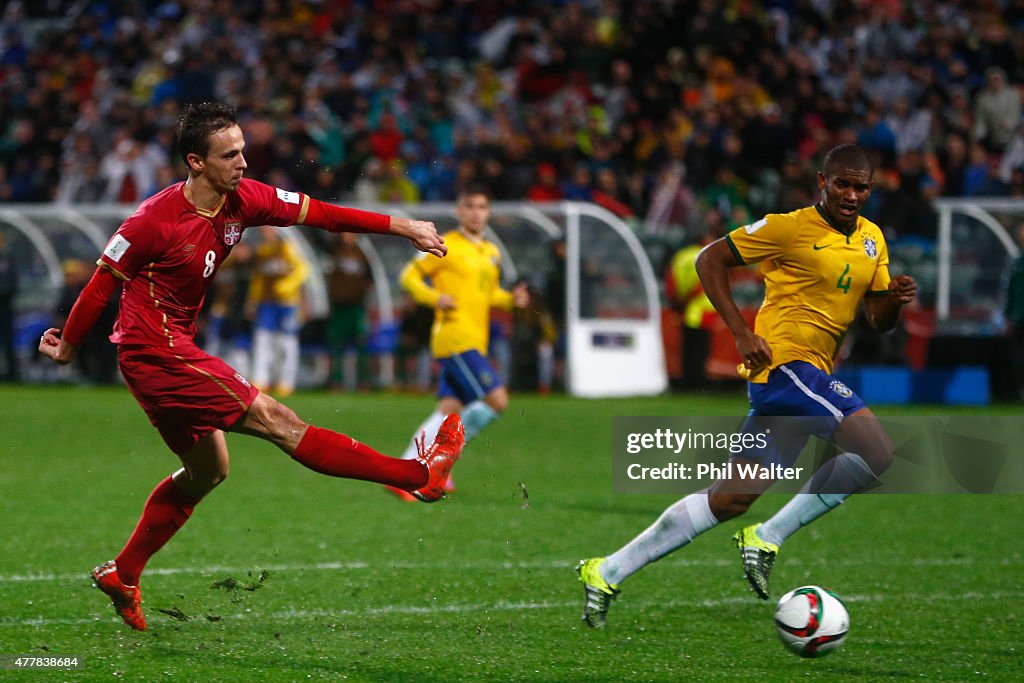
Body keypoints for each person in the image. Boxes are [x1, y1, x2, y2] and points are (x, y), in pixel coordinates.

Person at [37, 102, 465, 632]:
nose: (243, 162)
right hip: (158, 353)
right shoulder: (153, 220)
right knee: (279, 421)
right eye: (230, 154)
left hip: (163, 354)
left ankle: (123, 574)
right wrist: (70, 345)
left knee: (209, 471)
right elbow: (102, 282)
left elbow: (322, 214)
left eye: (244, 150)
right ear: (196, 162)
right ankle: (419, 475)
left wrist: (405, 227)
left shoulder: (246, 198)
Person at [577, 144, 918, 627]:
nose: (851, 194)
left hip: (810, 376)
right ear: (822, 182)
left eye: (861, 186)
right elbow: (709, 260)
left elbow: (878, 320)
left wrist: (897, 300)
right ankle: (769, 536)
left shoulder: (872, 240)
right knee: (878, 452)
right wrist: (741, 332)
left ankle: (607, 570)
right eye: (842, 183)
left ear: (871, 189)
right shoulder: (788, 227)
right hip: (786, 368)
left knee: (731, 497)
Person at [388, 184, 529, 500]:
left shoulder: (490, 252)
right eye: (470, 206)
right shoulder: (446, 245)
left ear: (488, 211)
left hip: (474, 340)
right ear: (459, 211)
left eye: (482, 207)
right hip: (454, 338)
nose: (476, 213)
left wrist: (510, 300)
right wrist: (435, 298)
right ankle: (439, 465)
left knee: (448, 410)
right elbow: (409, 276)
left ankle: (403, 474)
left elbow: (488, 293)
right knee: (497, 401)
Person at [246, 226, 309, 396]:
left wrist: (286, 287)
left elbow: (302, 271)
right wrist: (253, 299)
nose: (265, 232)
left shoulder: (287, 247)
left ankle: (286, 382)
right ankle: (261, 380)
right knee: (262, 341)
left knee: (287, 343)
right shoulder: (261, 251)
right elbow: (258, 279)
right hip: (267, 302)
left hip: (287, 302)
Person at [325, 231, 373, 392]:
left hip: (357, 307)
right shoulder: (334, 250)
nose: (348, 236)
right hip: (339, 307)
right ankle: (336, 382)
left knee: (361, 344)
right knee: (337, 345)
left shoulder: (363, 255)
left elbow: (369, 280)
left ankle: (363, 382)